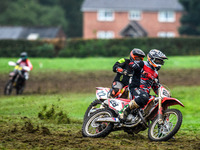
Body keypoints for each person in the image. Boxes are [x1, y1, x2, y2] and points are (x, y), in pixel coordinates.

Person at [119, 49, 168, 122]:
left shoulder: (155, 73)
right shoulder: (143, 64)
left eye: (161, 61)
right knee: (144, 97)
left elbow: (155, 86)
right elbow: (131, 63)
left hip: (145, 92)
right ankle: (124, 110)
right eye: (158, 61)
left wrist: (162, 93)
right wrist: (136, 66)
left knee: (156, 101)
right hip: (135, 87)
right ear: (151, 59)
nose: (159, 63)